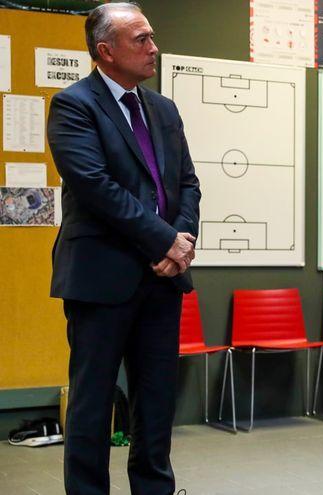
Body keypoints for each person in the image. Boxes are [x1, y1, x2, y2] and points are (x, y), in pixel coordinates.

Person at [47, 3, 200, 494]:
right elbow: (96, 187)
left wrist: (180, 242)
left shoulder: (163, 108)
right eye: (141, 39)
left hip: (162, 278)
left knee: (156, 404)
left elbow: (187, 184)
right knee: (93, 405)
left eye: (152, 36)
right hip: (101, 277)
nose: (154, 48)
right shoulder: (74, 105)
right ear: (105, 50)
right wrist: (164, 238)